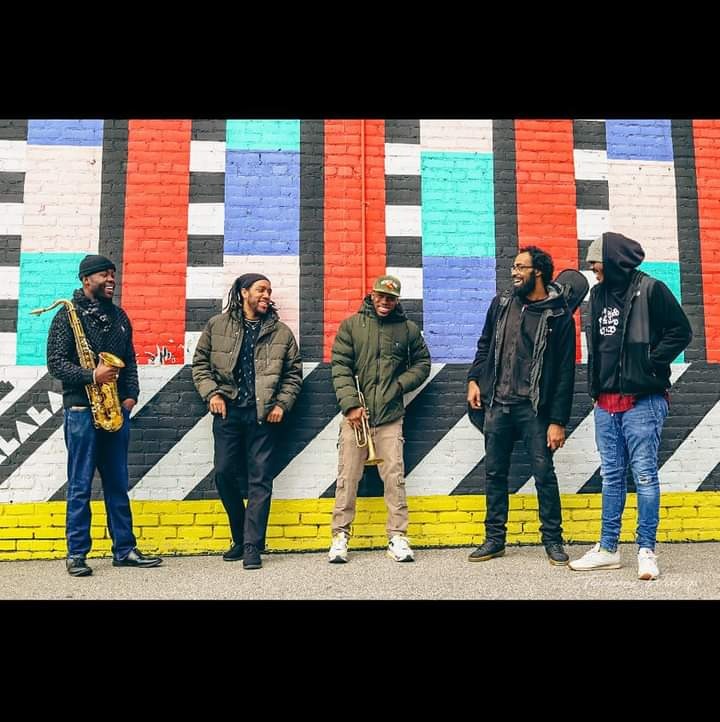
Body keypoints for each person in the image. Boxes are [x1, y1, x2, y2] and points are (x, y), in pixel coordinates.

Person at [569, 232, 692, 580]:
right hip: (605, 402)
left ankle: (646, 550)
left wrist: (650, 363)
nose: (593, 269)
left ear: (614, 261)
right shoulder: (597, 294)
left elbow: (680, 331)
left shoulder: (651, 289)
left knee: (644, 475)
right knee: (611, 476)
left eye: (596, 262)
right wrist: (595, 386)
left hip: (642, 401)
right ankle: (608, 549)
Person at [46, 254, 162, 577]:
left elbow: (130, 361)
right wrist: (91, 376)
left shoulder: (120, 317)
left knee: (117, 484)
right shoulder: (67, 316)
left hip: (115, 412)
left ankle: (124, 549)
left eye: (113, 274)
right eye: (104, 275)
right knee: (80, 485)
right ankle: (76, 554)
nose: (111, 279)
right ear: (86, 280)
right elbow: (55, 363)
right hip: (81, 411)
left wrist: (130, 397)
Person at [466, 246, 576, 566]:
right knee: (494, 474)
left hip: (534, 409)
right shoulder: (501, 304)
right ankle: (494, 540)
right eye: (514, 267)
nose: (514, 273)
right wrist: (474, 379)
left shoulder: (559, 316)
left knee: (544, 475)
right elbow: (485, 345)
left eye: (520, 267)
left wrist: (558, 421)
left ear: (537, 271)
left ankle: (553, 541)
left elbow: (565, 373)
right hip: (498, 403)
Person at [192, 273, 302, 570]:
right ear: (243, 293)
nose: (267, 295)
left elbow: (293, 374)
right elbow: (200, 364)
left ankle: (252, 546)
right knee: (224, 473)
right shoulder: (217, 325)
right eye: (261, 290)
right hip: (228, 413)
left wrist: (281, 404)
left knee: (260, 480)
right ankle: (241, 536)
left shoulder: (281, 333)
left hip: (263, 416)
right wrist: (212, 394)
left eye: (269, 291)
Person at [328, 274, 431, 563]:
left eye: (391, 298)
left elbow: (423, 363)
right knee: (347, 478)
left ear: (397, 300)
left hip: (390, 417)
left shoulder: (408, 329)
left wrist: (399, 385)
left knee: (394, 478)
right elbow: (340, 367)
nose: (385, 302)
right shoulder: (352, 325)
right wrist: (350, 405)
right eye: (381, 296)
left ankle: (397, 537)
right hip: (355, 418)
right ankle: (340, 536)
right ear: (372, 295)